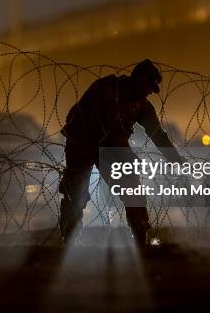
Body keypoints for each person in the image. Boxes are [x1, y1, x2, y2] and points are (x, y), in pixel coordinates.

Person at [59, 59, 183, 247]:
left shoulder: (142, 105)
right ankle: (68, 237)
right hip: (82, 141)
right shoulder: (107, 89)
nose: (149, 92)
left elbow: (157, 133)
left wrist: (174, 158)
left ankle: (140, 234)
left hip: (108, 146)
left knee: (132, 185)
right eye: (148, 86)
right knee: (76, 191)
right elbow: (96, 123)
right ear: (138, 80)